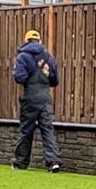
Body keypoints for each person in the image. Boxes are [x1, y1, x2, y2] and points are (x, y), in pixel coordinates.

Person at [11, 31, 61, 170]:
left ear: (26, 40)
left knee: (26, 130)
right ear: (39, 41)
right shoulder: (48, 56)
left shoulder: (22, 56)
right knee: (47, 129)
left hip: (30, 97)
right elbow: (55, 80)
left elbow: (19, 77)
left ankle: (21, 162)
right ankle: (53, 161)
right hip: (45, 97)